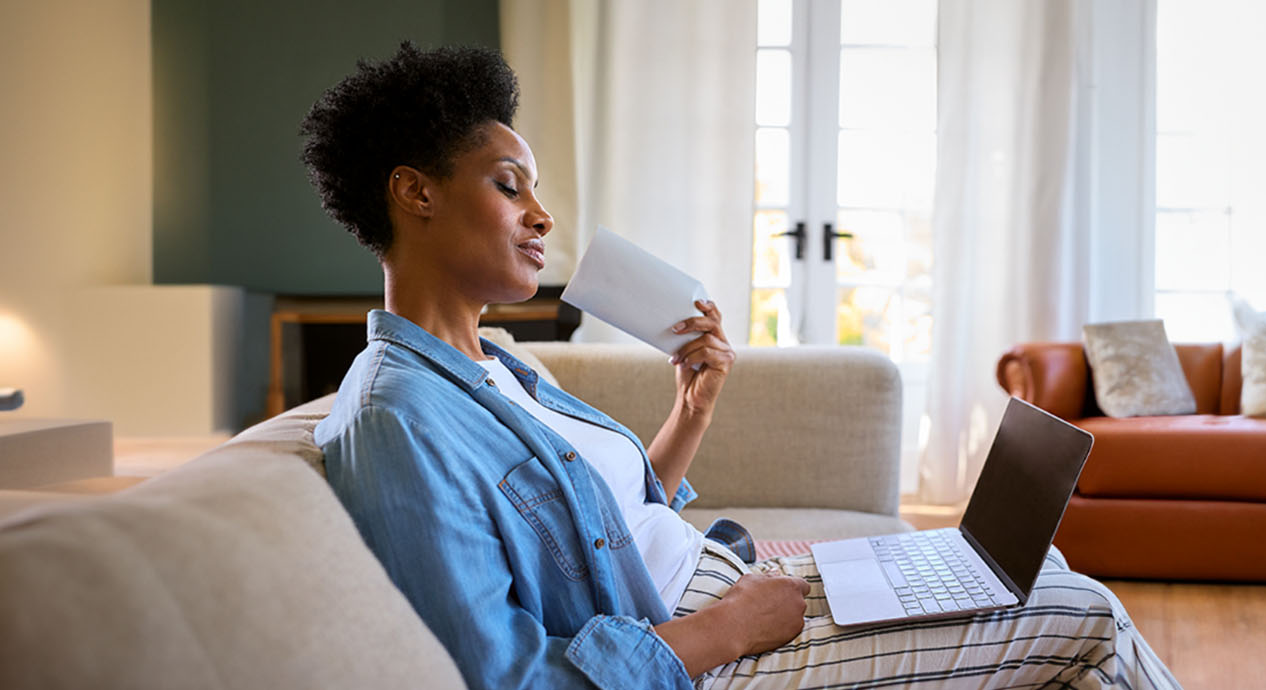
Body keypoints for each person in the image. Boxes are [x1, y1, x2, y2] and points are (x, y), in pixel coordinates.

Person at [302, 43, 1180, 690]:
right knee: (1086, 618)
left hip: (731, 590)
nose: (541, 217)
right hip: (701, 654)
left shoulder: (499, 365)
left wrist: (694, 409)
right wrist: (724, 629)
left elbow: (611, 519)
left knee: (1044, 572)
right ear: (415, 193)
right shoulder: (396, 418)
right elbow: (511, 679)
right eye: (509, 185)